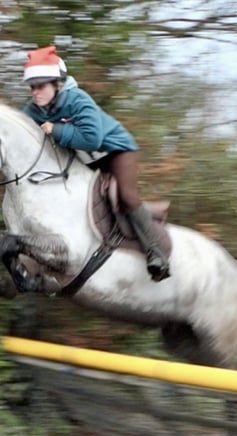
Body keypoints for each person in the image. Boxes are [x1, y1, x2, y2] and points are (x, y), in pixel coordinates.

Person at [21, 45, 170, 282]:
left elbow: (92, 139)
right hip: (88, 161)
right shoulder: (33, 110)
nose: (35, 92)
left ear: (57, 84)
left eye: (41, 86)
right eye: (32, 87)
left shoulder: (77, 99)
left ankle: (156, 253)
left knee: (127, 197)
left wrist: (56, 130)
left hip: (117, 151)